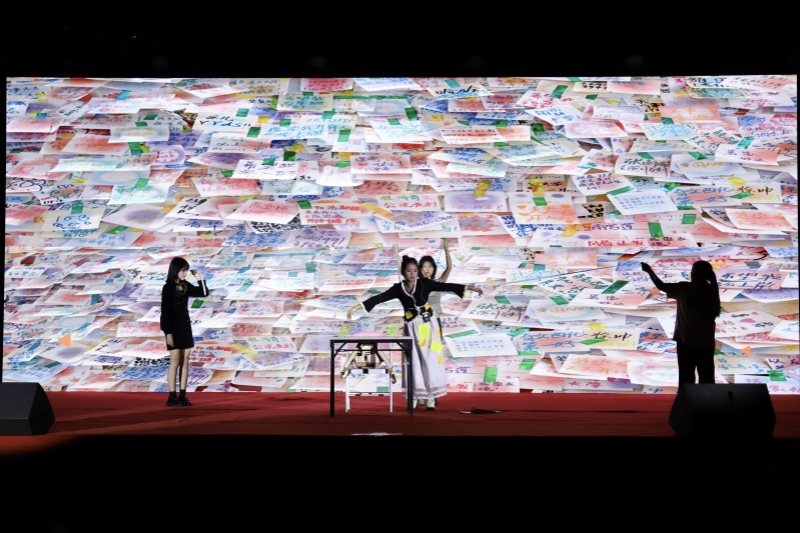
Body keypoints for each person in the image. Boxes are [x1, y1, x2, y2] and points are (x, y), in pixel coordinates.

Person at [347, 255, 483, 410]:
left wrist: (471, 288)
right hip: (410, 327)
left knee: (430, 358)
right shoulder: (398, 288)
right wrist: (356, 308)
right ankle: (415, 396)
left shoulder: (425, 283)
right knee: (412, 360)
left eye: (414, 271)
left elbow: (447, 286)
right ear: (403, 272)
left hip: (428, 325)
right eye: (408, 271)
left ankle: (431, 396)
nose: (412, 274)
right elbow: (379, 298)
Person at [641, 260, 721, 385]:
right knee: (704, 377)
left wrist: (649, 271)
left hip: (687, 341)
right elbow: (662, 286)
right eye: (693, 272)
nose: (693, 275)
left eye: (694, 272)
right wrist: (649, 271)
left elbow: (661, 286)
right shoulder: (708, 290)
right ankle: (705, 397)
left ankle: (692, 397)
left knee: (688, 376)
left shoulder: (686, 289)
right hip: (702, 342)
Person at [160, 257, 208, 406]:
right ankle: (172, 396)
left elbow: (203, 293)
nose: (185, 273)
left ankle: (182, 395)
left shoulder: (185, 285)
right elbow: (165, 311)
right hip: (172, 328)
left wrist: (199, 278)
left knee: (185, 361)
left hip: (185, 327)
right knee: (175, 360)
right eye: (183, 270)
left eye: (186, 270)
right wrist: (168, 332)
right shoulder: (168, 287)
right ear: (175, 270)